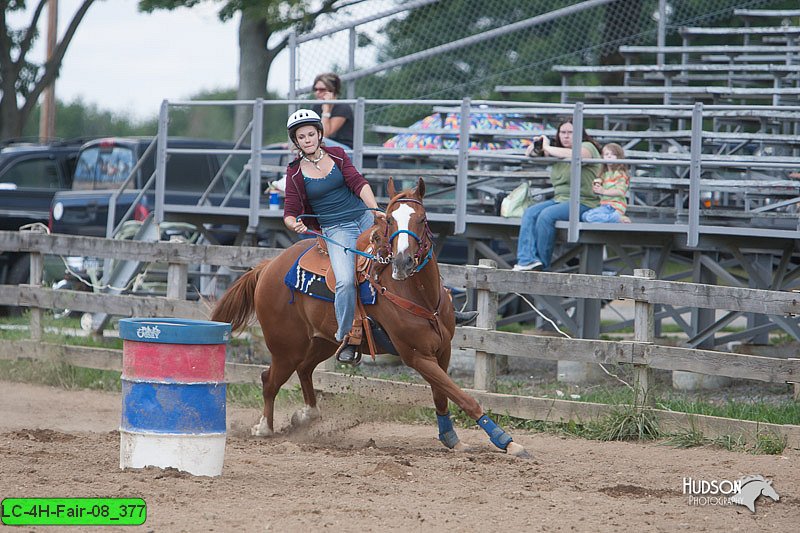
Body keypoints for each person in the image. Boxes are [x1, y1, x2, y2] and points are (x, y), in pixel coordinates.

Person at [283, 109, 381, 364]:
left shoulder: (337, 156)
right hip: (338, 230)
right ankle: (346, 335)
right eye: (301, 136)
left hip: (364, 217)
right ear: (296, 141)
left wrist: (375, 211)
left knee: (406, 244)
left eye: (311, 134)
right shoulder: (294, 172)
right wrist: (296, 225)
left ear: (319, 134)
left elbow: (359, 183)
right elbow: (290, 212)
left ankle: (440, 307)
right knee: (345, 281)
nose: (307, 139)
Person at [513, 119, 602, 271]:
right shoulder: (556, 151)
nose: (566, 136)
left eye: (570, 132)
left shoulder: (587, 147)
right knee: (530, 213)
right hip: (560, 200)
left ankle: (542, 266)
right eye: (563, 132)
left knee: (546, 215)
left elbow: (576, 155)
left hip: (584, 202)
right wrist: (538, 146)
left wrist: (548, 147)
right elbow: (531, 153)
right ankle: (527, 260)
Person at [581, 143, 631, 224]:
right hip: (604, 205)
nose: (609, 156)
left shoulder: (620, 173)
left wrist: (603, 191)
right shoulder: (604, 174)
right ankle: (613, 219)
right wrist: (596, 188)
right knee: (584, 216)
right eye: (606, 154)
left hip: (614, 206)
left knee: (590, 217)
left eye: (613, 154)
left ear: (619, 157)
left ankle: (617, 218)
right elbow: (599, 192)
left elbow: (620, 192)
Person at [311, 72, 354, 149]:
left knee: (316, 141)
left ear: (332, 91)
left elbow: (324, 135)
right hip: (323, 145)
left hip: (345, 150)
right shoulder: (316, 107)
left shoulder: (343, 107)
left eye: (322, 90)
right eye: (315, 89)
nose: (317, 92)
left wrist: (326, 109)